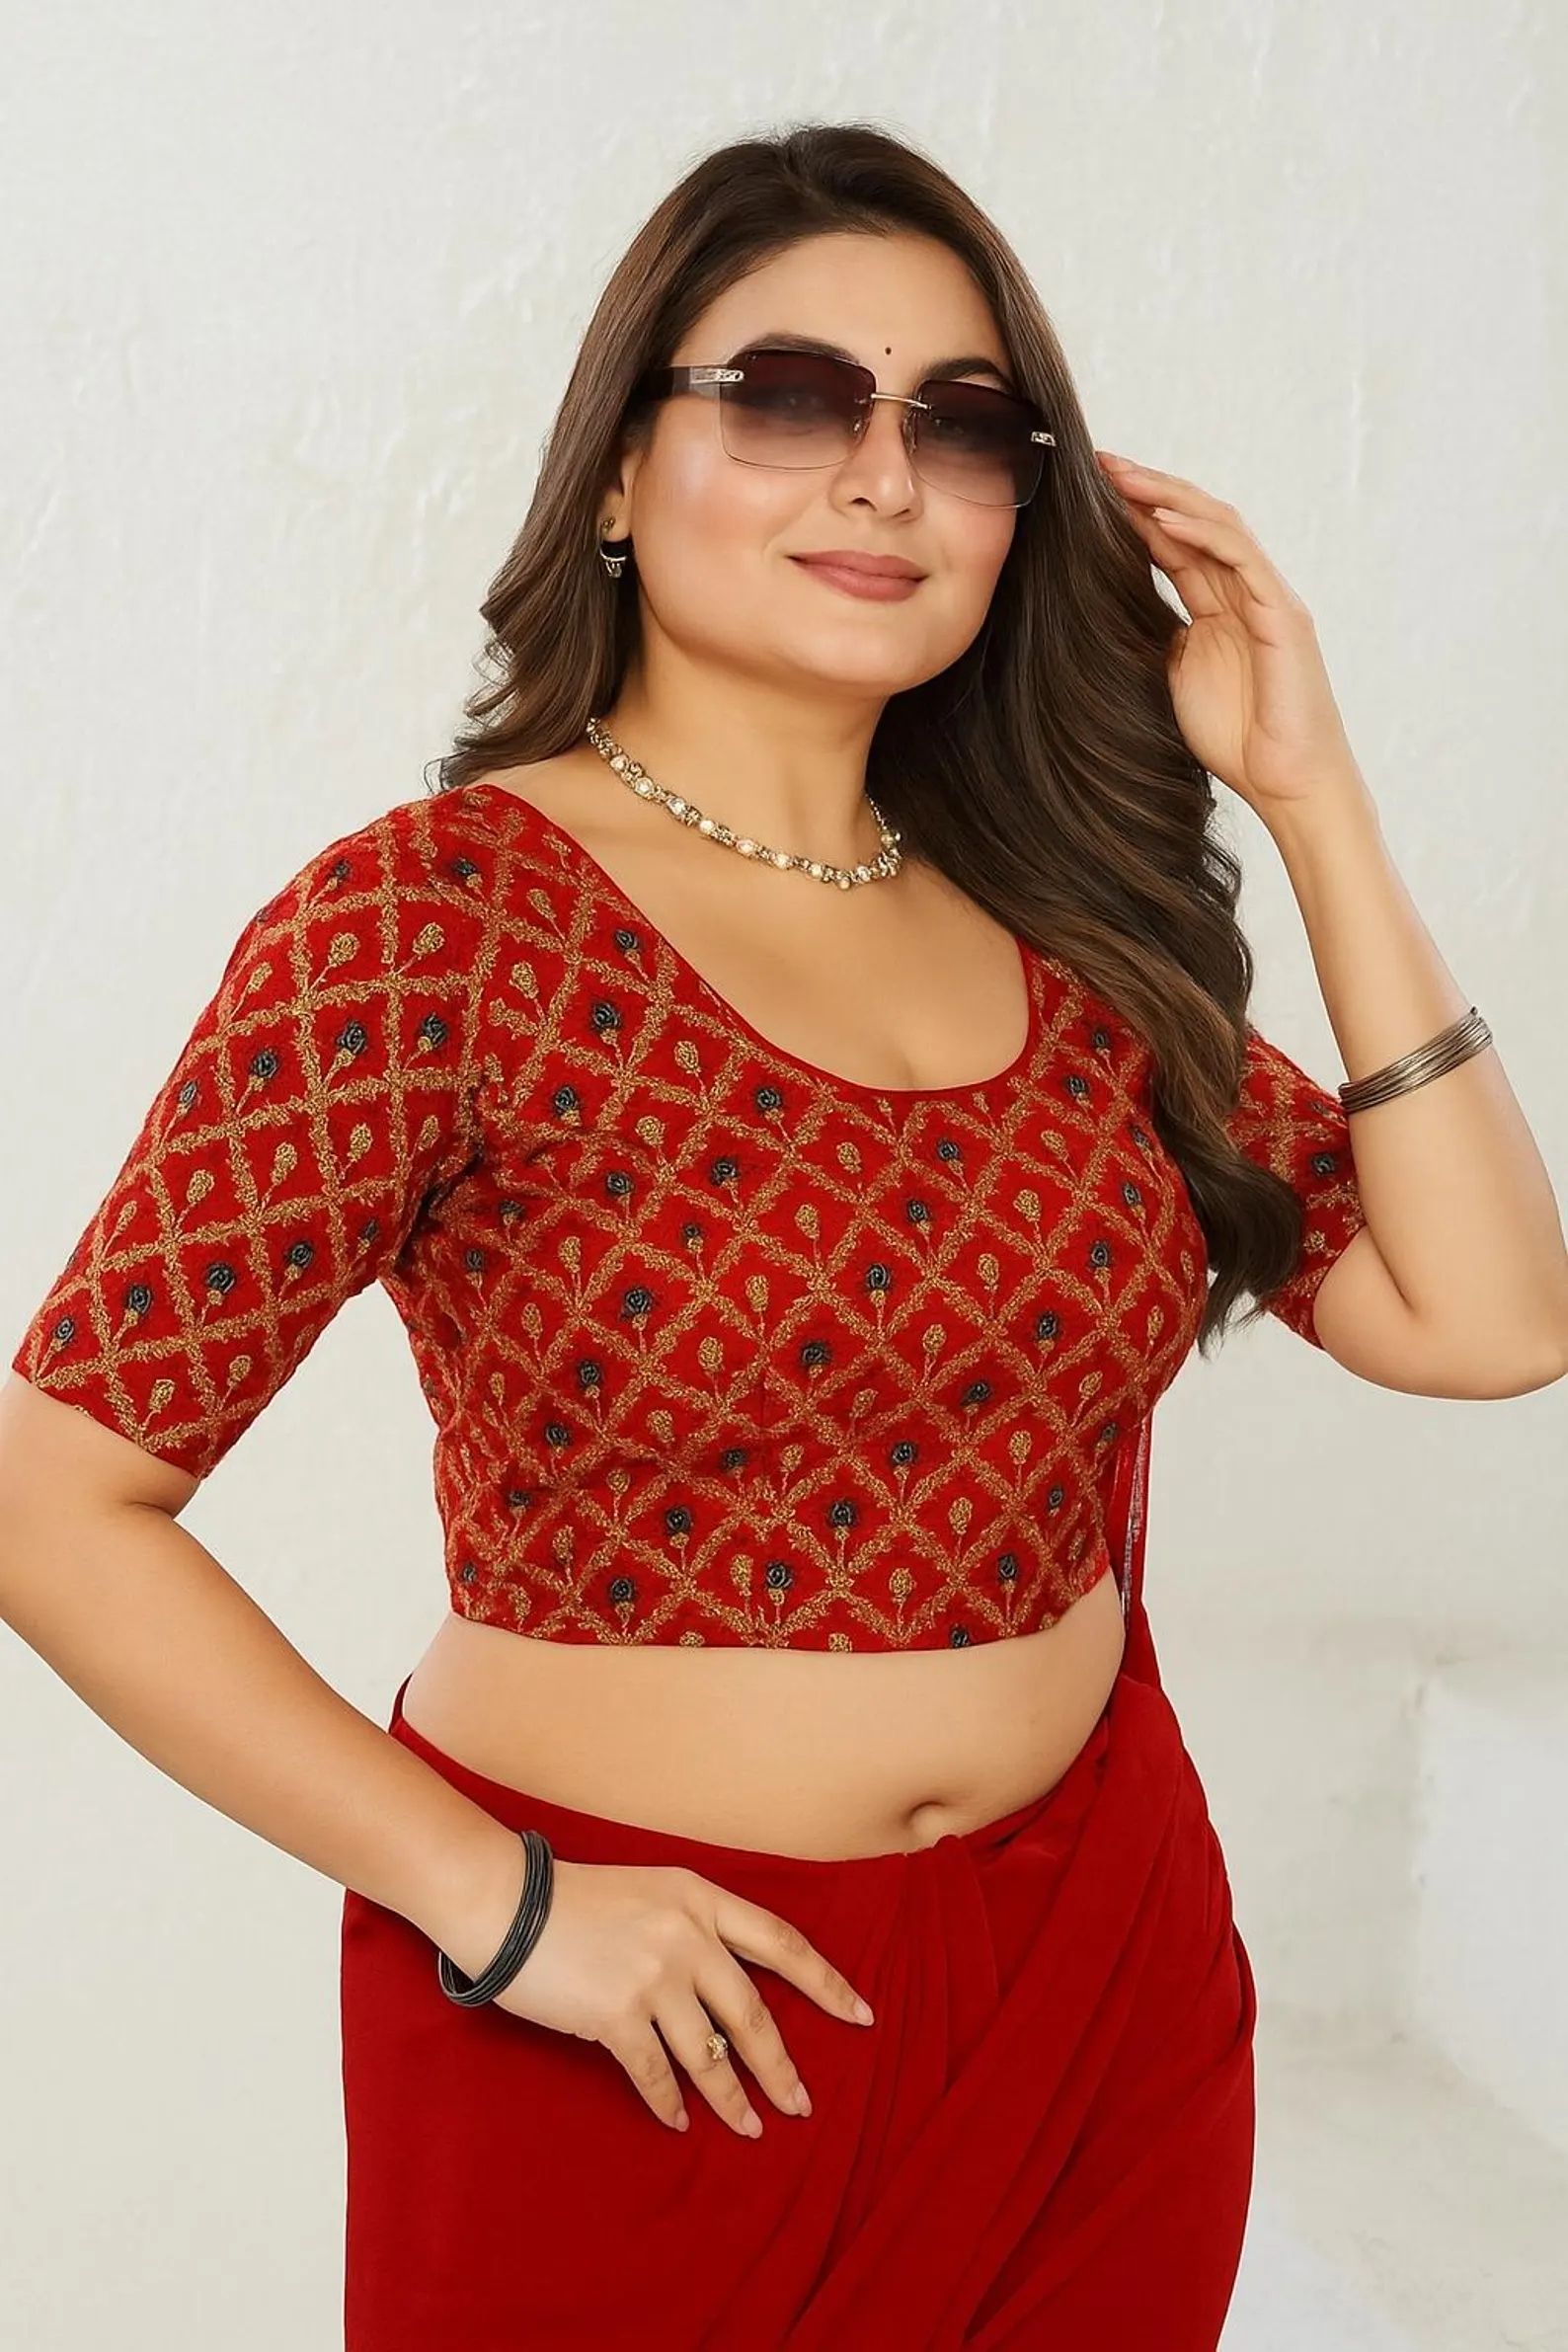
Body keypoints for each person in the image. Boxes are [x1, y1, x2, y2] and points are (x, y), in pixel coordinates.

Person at [2, 119, 1560, 2352]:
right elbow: (55, 1498)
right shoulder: (433, 925)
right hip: (635, 2014)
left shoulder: (1066, 942)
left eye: (964, 424)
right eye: (792, 397)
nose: (885, 478)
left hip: (1093, 1985)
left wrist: (1314, 804)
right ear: (618, 476)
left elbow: (1487, 1319)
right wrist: (498, 1908)